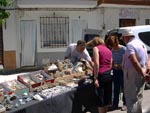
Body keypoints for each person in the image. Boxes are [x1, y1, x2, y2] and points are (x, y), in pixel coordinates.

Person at [122, 29, 150, 113]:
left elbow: (133, 60)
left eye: (123, 38)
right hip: (142, 69)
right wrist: (146, 71)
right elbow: (147, 58)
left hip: (132, 72)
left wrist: (142, 73)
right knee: (139, 95)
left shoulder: (130, 45)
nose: (123, 40)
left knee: (131, 97)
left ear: (126, 37)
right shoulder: (141, 44)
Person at [106, 35, 127, 111]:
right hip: (115, 71)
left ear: (116, 43)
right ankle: (115, 104)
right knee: (116, 88)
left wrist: (120, 65)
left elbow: (126, 60)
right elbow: (112, 60)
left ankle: (125, 104)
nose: (112, 48)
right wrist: (112, 65)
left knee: (124, 87)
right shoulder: (112, 50)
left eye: (113, 46)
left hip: (123, 71)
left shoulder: (124, 49)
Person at [92, 37, 112, 113]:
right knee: (107, 97)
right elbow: (110, 64)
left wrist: (95, 77)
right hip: (108, 74)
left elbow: (96, 64)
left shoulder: (96, 48)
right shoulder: (108, 50)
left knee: (100, 98)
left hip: (101, 74)